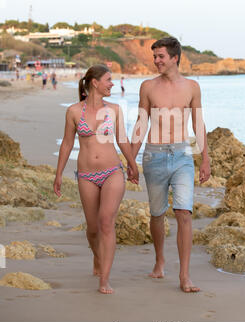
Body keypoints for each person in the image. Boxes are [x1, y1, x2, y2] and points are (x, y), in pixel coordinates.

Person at [129, 37, 211, 293]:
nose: (156, 61)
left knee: (183, 213)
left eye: (161, 56)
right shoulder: (148, 87)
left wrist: (205, 158)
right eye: (154, 57)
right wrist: (131, 160)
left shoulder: (192, 87)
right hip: (153, 155)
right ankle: (159, 259)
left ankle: (184, 276)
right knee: (157, 214)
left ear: (175, 57)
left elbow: (198, 124)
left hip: (182, 156)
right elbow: (141, 124)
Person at [53, 64, 139, 294]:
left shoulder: (114, 109)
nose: (112, 84)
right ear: (95, 82)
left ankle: (105, 279)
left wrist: (132, 164)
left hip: (112, 172)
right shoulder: (73, 111)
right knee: (92, 229)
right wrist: (58, 173)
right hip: (86, 176)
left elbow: (122, 140)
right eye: (108, 80)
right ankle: (97, 258)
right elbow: (67, 143)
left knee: (105, 221)